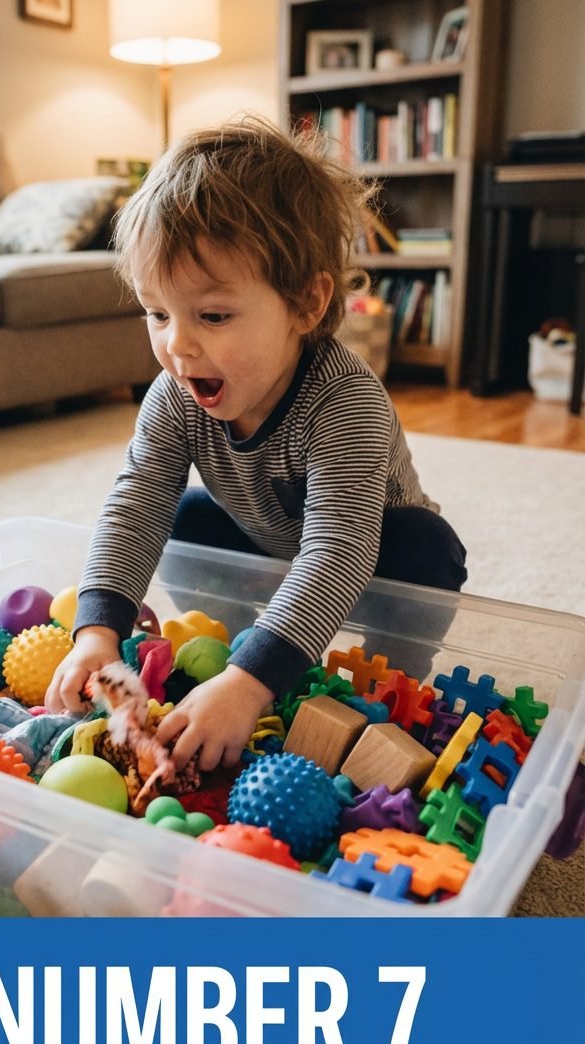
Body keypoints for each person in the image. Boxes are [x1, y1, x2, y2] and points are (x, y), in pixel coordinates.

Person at [45, 116, 467, 772]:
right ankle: (234, 645)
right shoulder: (175, 393)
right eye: (158, 313)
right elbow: (135, 505)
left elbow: (338, 550)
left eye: (212, 315)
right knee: (183, 516)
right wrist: (98, 632)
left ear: (305, 305)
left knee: (428, 548)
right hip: (265, 541)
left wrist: (251, 683)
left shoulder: (344, 399)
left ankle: (388, 678)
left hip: (372, 554)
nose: (177, 346)